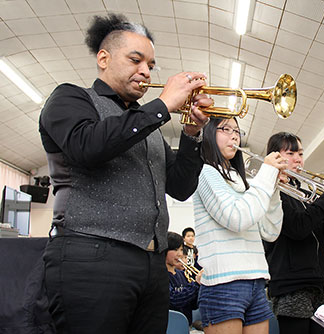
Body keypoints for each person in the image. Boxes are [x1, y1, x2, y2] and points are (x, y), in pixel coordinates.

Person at [39, 13, 211, 334]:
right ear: (103, 59)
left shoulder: (148, 126)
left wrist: (191, 135)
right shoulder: (71, 98)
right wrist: (162, 105)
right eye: (136, 60)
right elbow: (87, 146)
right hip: (91, 258)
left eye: (150, 64)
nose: (145, 71)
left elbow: (180, 187)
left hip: (152, 266)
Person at [193, 117, 287, 334]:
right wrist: (266, 175)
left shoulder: (242, 180)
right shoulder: (205, 172)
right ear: (208, 133)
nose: (234, 135)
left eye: (237, 130)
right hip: (224, 282)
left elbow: (270, 232)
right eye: (225, 129)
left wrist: (273, 191)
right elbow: (236, 218)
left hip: (256, 279)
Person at [264, 132, 324, 334]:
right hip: (291, 288)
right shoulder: (272, 192)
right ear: (275, 156)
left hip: (320, 286)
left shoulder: (304, 194)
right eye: (291, 153)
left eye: (300, 153)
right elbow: (298, 228)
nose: (298, 159)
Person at [166, 231, 201, 326]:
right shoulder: (160, 275)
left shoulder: (182, 274)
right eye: (175, 250)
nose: (180, 254)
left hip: (185, 325)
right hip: (170, 325)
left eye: (181, 250)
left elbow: (193, 305)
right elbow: (174, 300)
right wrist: (196, 284)